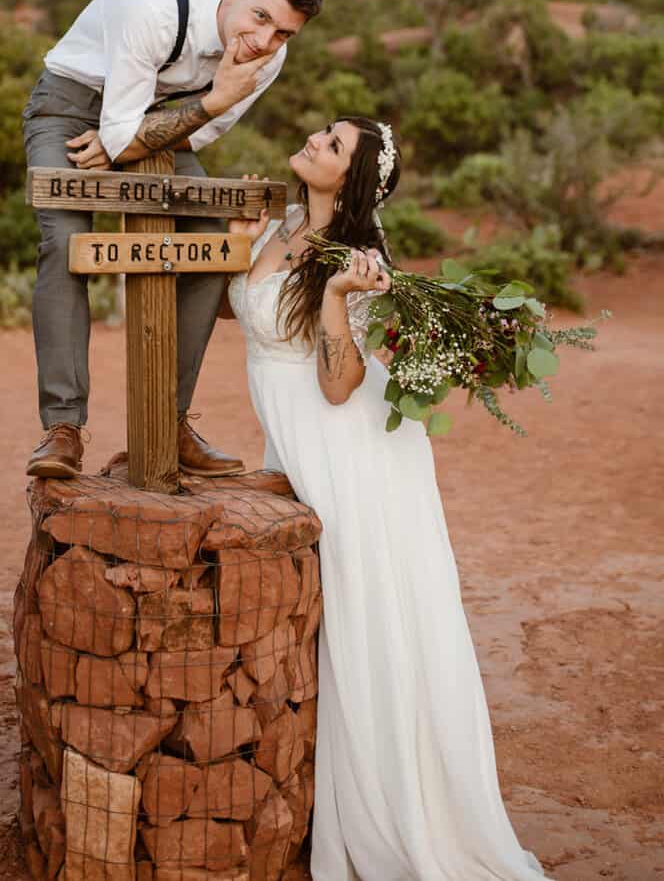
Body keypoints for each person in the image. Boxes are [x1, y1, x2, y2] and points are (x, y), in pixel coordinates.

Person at [225, 117, 544, 881]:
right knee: (337, 618)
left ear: (353, 180)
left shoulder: (358, 258)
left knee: (369, 624)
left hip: (352, 452)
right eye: (324, 130)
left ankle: (400, 816)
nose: (315, 139)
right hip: (301, 442)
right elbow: (249, 307)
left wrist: (337, 295)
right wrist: (237, 242)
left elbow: (340, 384)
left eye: (333, 145)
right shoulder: (283, 220)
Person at [21, 0, 324, 480]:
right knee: (66, 244)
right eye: (260, 17)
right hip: (70, 106)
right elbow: (157, 125)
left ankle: (169, 421)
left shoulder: (268, 58)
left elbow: (200, 133)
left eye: (283, 33)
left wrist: (131, 137)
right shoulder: (155, 8)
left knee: (211, 242)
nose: (264, 42)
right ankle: (63, 427)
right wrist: (200, 105)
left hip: (155, 121)